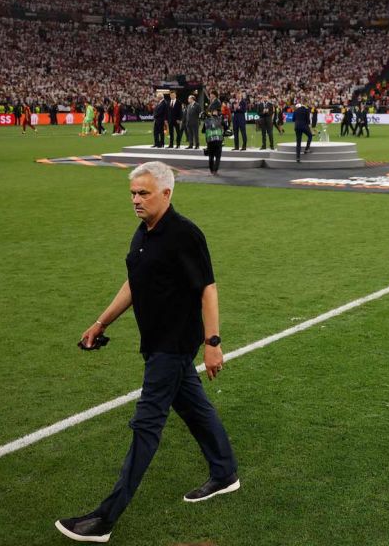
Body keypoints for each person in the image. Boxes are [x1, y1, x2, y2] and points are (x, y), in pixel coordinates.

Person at [57, 162, 239, 543]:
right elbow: (135, 284)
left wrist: (213, 343)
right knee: (194, 407)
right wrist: (101, 323)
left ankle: (104, 519)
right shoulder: (143, 233)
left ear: (167, 194)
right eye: (133, 194)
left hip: (173, 346)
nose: (136, 200)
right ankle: (225, 473)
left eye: (144, 193)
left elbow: (208, 289)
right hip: (155, 342)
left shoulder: (184, 234)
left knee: (146, 425)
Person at [202, 104, 225, 175]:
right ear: (217, 112)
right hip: (218, 140)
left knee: (211, 156)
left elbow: (203, 131)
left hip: (210, 141)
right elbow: (227, 128)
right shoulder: (220, 119)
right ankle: (215, 171)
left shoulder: (206, 120)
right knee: (218, 157)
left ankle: (211, 171)